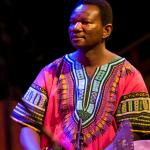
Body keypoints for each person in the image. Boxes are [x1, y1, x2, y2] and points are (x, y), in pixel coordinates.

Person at [10, 0, 150, 149]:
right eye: (73, 22)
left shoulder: (128, 74)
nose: (76, 28)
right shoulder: (52, 71)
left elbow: (133, 133)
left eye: (85, 22)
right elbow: (28, 124)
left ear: (106, 30)